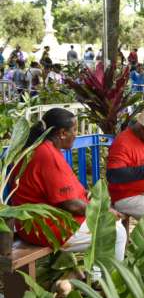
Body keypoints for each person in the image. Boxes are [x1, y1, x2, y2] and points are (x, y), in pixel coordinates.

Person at [11, 108, 126, 262]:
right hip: (44, 227)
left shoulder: (44, 148)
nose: (76, 134)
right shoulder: (47, 154)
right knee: (116, 231)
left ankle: (88, 275)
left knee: (109, 224)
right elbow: (71, 205)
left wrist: (88, 196)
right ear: (62, 133)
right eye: (74, 130)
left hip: (36, 222)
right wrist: (103, 211)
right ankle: (109, 280)